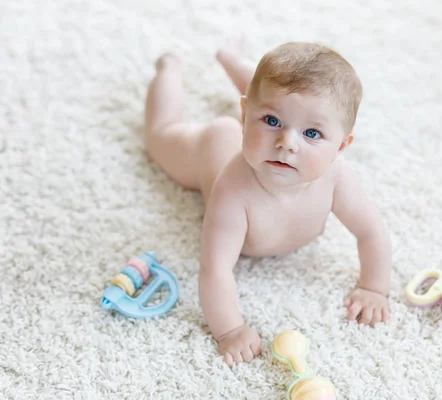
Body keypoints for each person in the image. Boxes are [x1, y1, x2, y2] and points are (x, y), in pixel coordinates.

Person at [143, 37, 392, 366]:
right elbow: (215, 269)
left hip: (260, 122)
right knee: (161, 133)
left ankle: (230, 59)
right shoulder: (233, 189)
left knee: (285, 97)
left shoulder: (338, 177)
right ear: (245, 115)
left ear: (341, 146)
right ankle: (169, 68)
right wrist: (230, 330)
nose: (287, 143)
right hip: (212, 149)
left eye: (312, 134)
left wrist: (374, 288)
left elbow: (372, 231)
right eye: (271, 122)